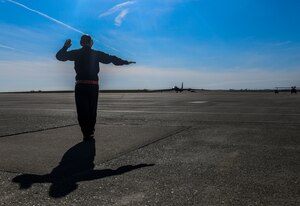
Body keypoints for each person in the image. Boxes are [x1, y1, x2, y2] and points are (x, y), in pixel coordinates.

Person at [56, 34, 135, 141]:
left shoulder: (76, 53)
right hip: (93, 86)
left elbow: (60, 56)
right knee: (92, 110)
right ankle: (90, 132)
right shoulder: (96, 54)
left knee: (82, 110)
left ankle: (86, 133)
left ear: (81, 43)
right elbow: (111, 58)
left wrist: (65, 47)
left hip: (81, 85)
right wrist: (125, 62)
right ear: (91, 43)